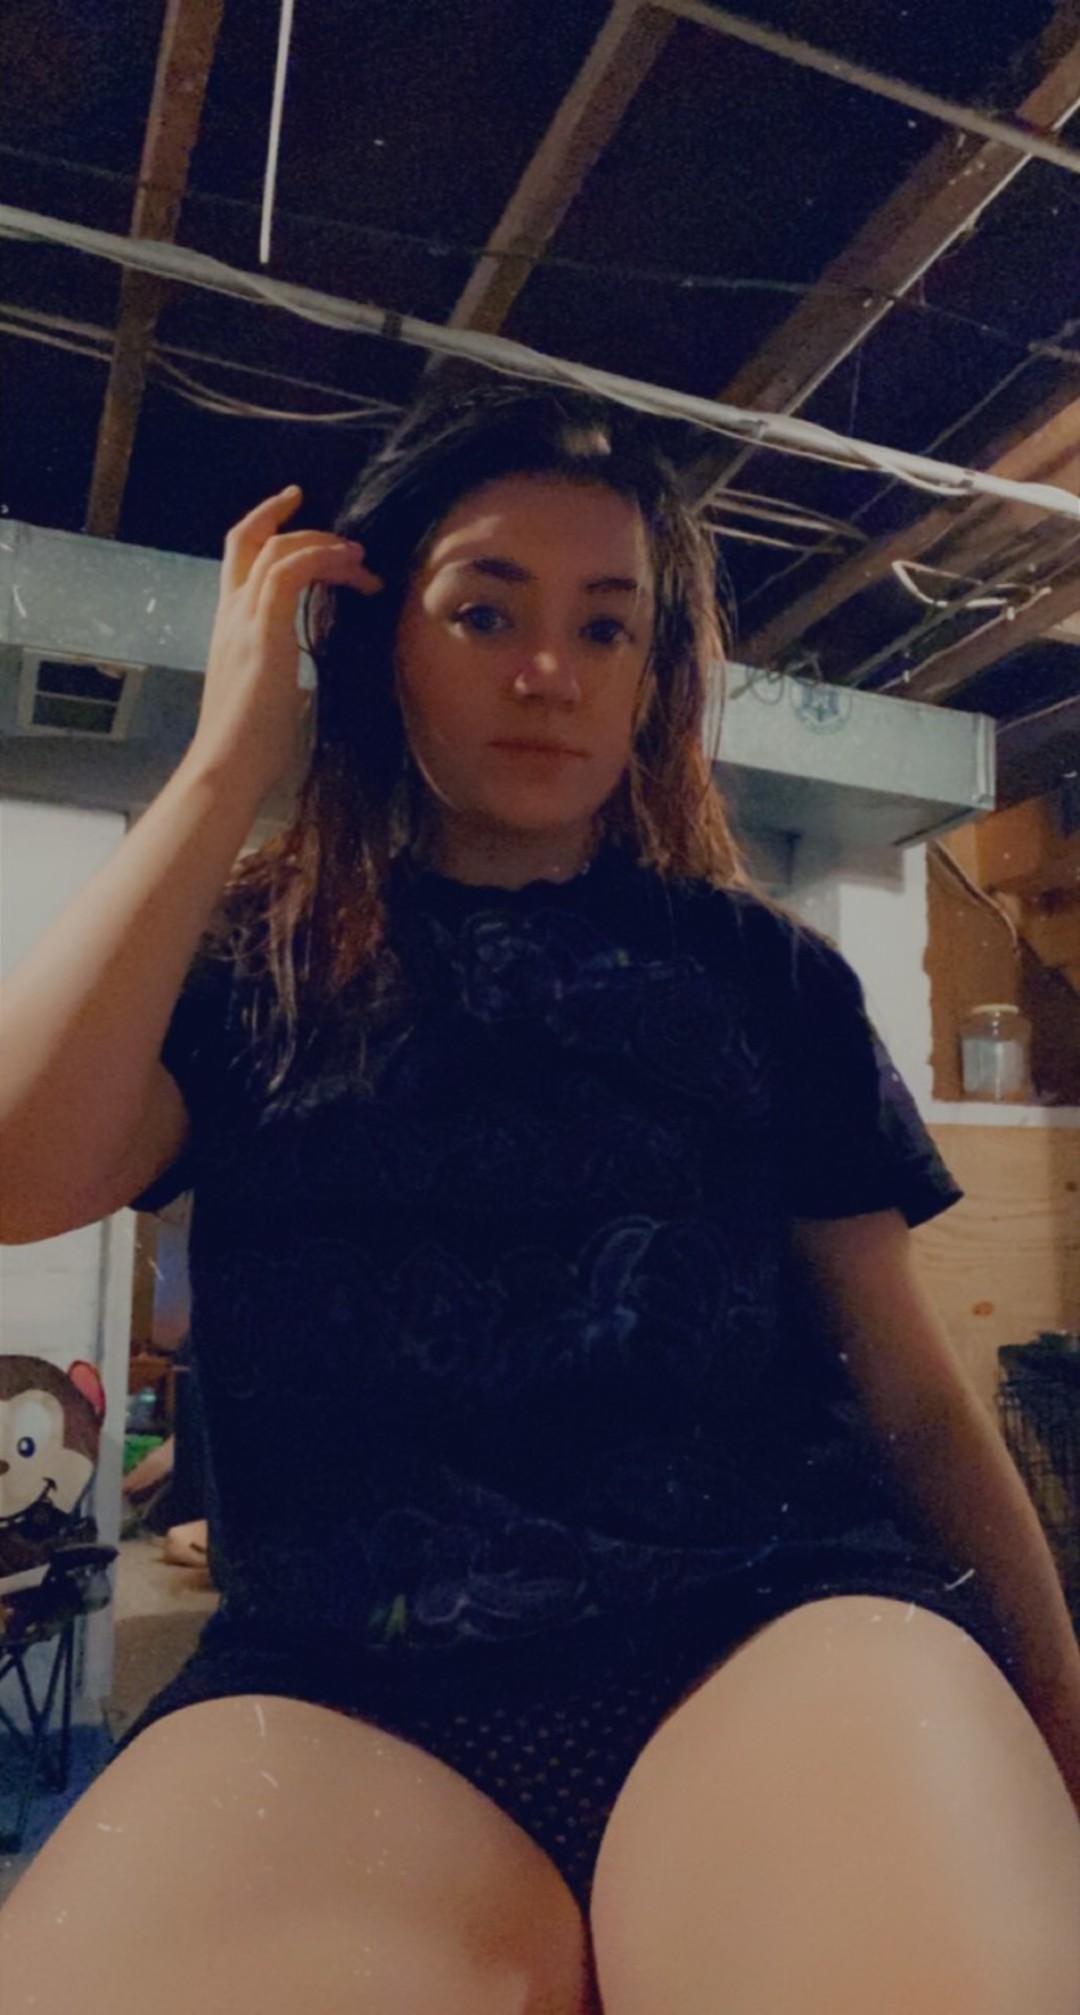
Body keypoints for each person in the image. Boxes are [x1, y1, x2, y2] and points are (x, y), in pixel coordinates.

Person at [0, 382, 1078, 2014]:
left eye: (604, 627)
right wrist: (229, 762)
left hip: (766, 1633)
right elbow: (22, 1176)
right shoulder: (258, 959)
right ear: (382, 644)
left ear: (652, 677)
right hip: (346, 1688)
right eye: (486, 611)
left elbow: (914, 1397)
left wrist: (1059, 1705)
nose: (548, 672)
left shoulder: (765, 980)